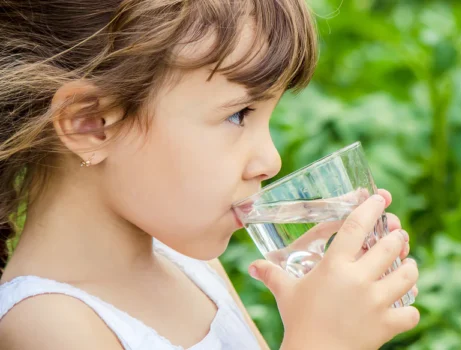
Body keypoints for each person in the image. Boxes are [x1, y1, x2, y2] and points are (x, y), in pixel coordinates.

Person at [0, 1, 420, 349]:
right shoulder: (48, 325)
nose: (271, 161)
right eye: (239, 115)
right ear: (91, 124)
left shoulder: (190, 268)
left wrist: (318, 315)